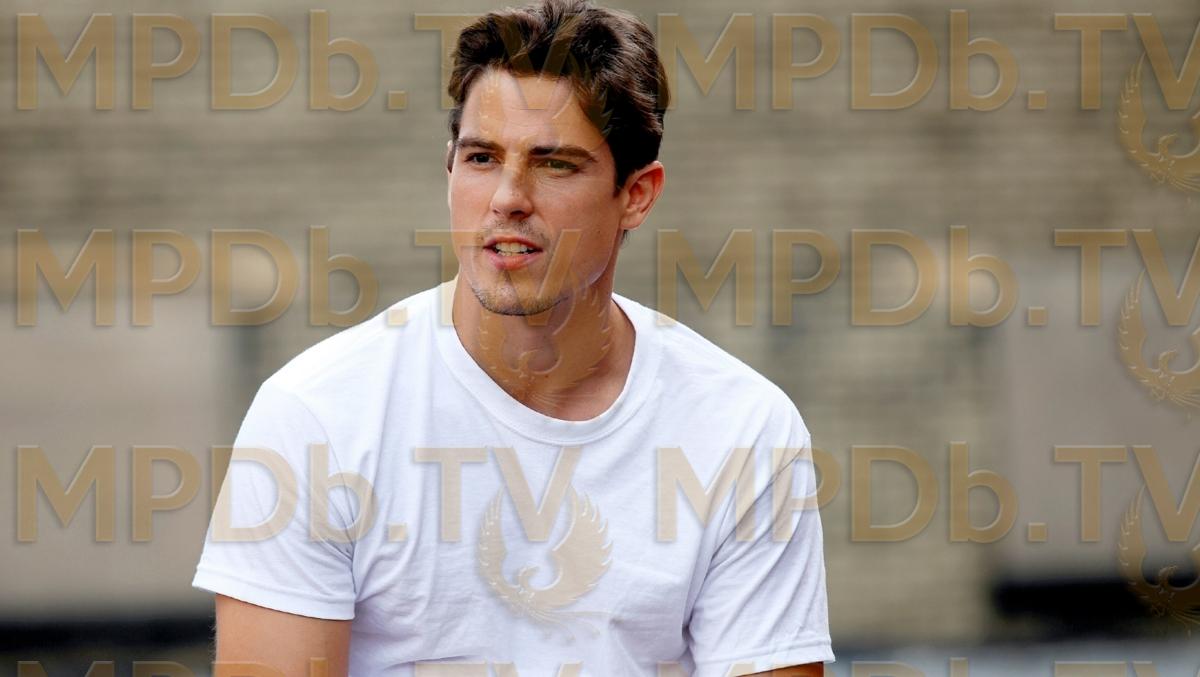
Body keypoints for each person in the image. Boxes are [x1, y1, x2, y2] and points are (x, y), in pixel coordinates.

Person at [192, 0, 834, 674]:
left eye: (554, 164)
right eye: (481, 157)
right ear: (449, 170)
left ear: (637, 195)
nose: (507, 197)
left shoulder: (742, 429)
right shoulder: (317, 415)